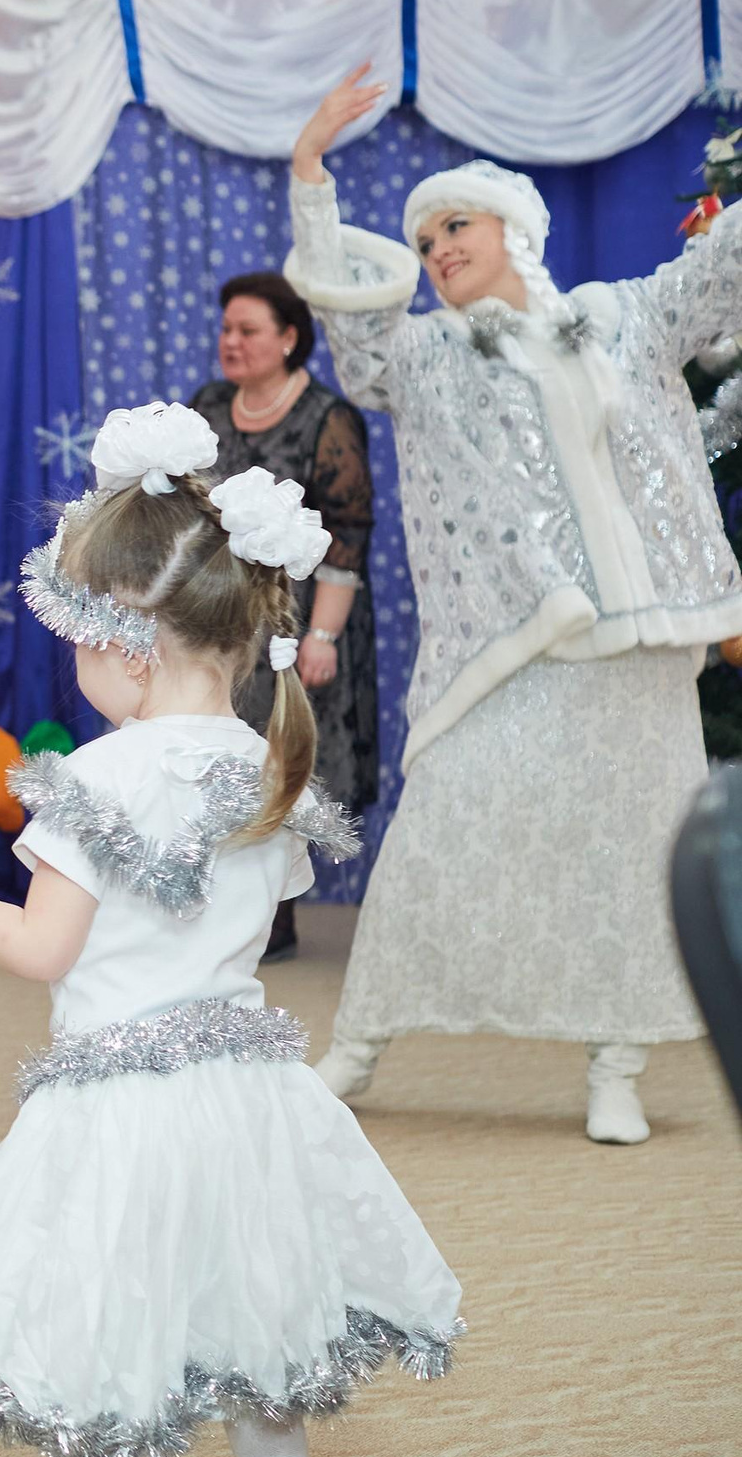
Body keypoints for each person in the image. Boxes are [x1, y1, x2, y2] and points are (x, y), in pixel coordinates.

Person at [0, 404, 463, 1457]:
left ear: (131, 652)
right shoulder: (262, 762)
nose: (73, 665)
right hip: (247, 1097)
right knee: (257, 1328)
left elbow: (37, 950)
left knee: (97, 1336)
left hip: (120, 1103)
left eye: (80, 638)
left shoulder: (101, 776)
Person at [288, 66, 742, 1141]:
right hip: (512, 642)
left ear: (513, 228)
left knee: (632, 852)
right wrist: (311, 173)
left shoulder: (618, 319)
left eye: (458, 224)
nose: (440, 245)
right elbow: (351, 336)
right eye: (428, 234)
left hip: (639, 644)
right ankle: (355, 1046)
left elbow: (719, 271)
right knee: (444, 833)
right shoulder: (424, 352)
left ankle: (613, 1068)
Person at [188, 269, 378, 959]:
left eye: (247, 330)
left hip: (298, 629)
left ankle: (276, 915)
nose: (230, 342)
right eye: (226, 329)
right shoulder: (207, 405)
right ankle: (222, 908)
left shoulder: (328, 419)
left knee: (282, 762)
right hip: (217, 623)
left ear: (289, 338)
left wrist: (321, 636)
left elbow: (349, 537)